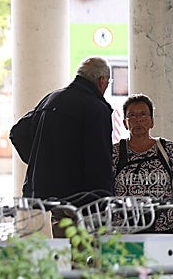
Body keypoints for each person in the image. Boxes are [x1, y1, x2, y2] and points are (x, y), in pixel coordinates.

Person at [12, 56, 115, 203]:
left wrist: (42, 163)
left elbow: (18, 133)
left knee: (60, 224)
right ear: (102, 81)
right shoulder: (96, 108)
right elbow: (99, 158)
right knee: (81, 226)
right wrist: (103, 197)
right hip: (84, 198)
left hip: (54, 197)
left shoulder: (51, 99)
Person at [112, 94, 173, 234]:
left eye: (143, 114)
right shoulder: (116, 152)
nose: (138, 119)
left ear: (152, 121)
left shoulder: (166, 149)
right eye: (132, 115)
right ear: (125, 123)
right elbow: (105, 190)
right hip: (125, 233)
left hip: (164, 232)